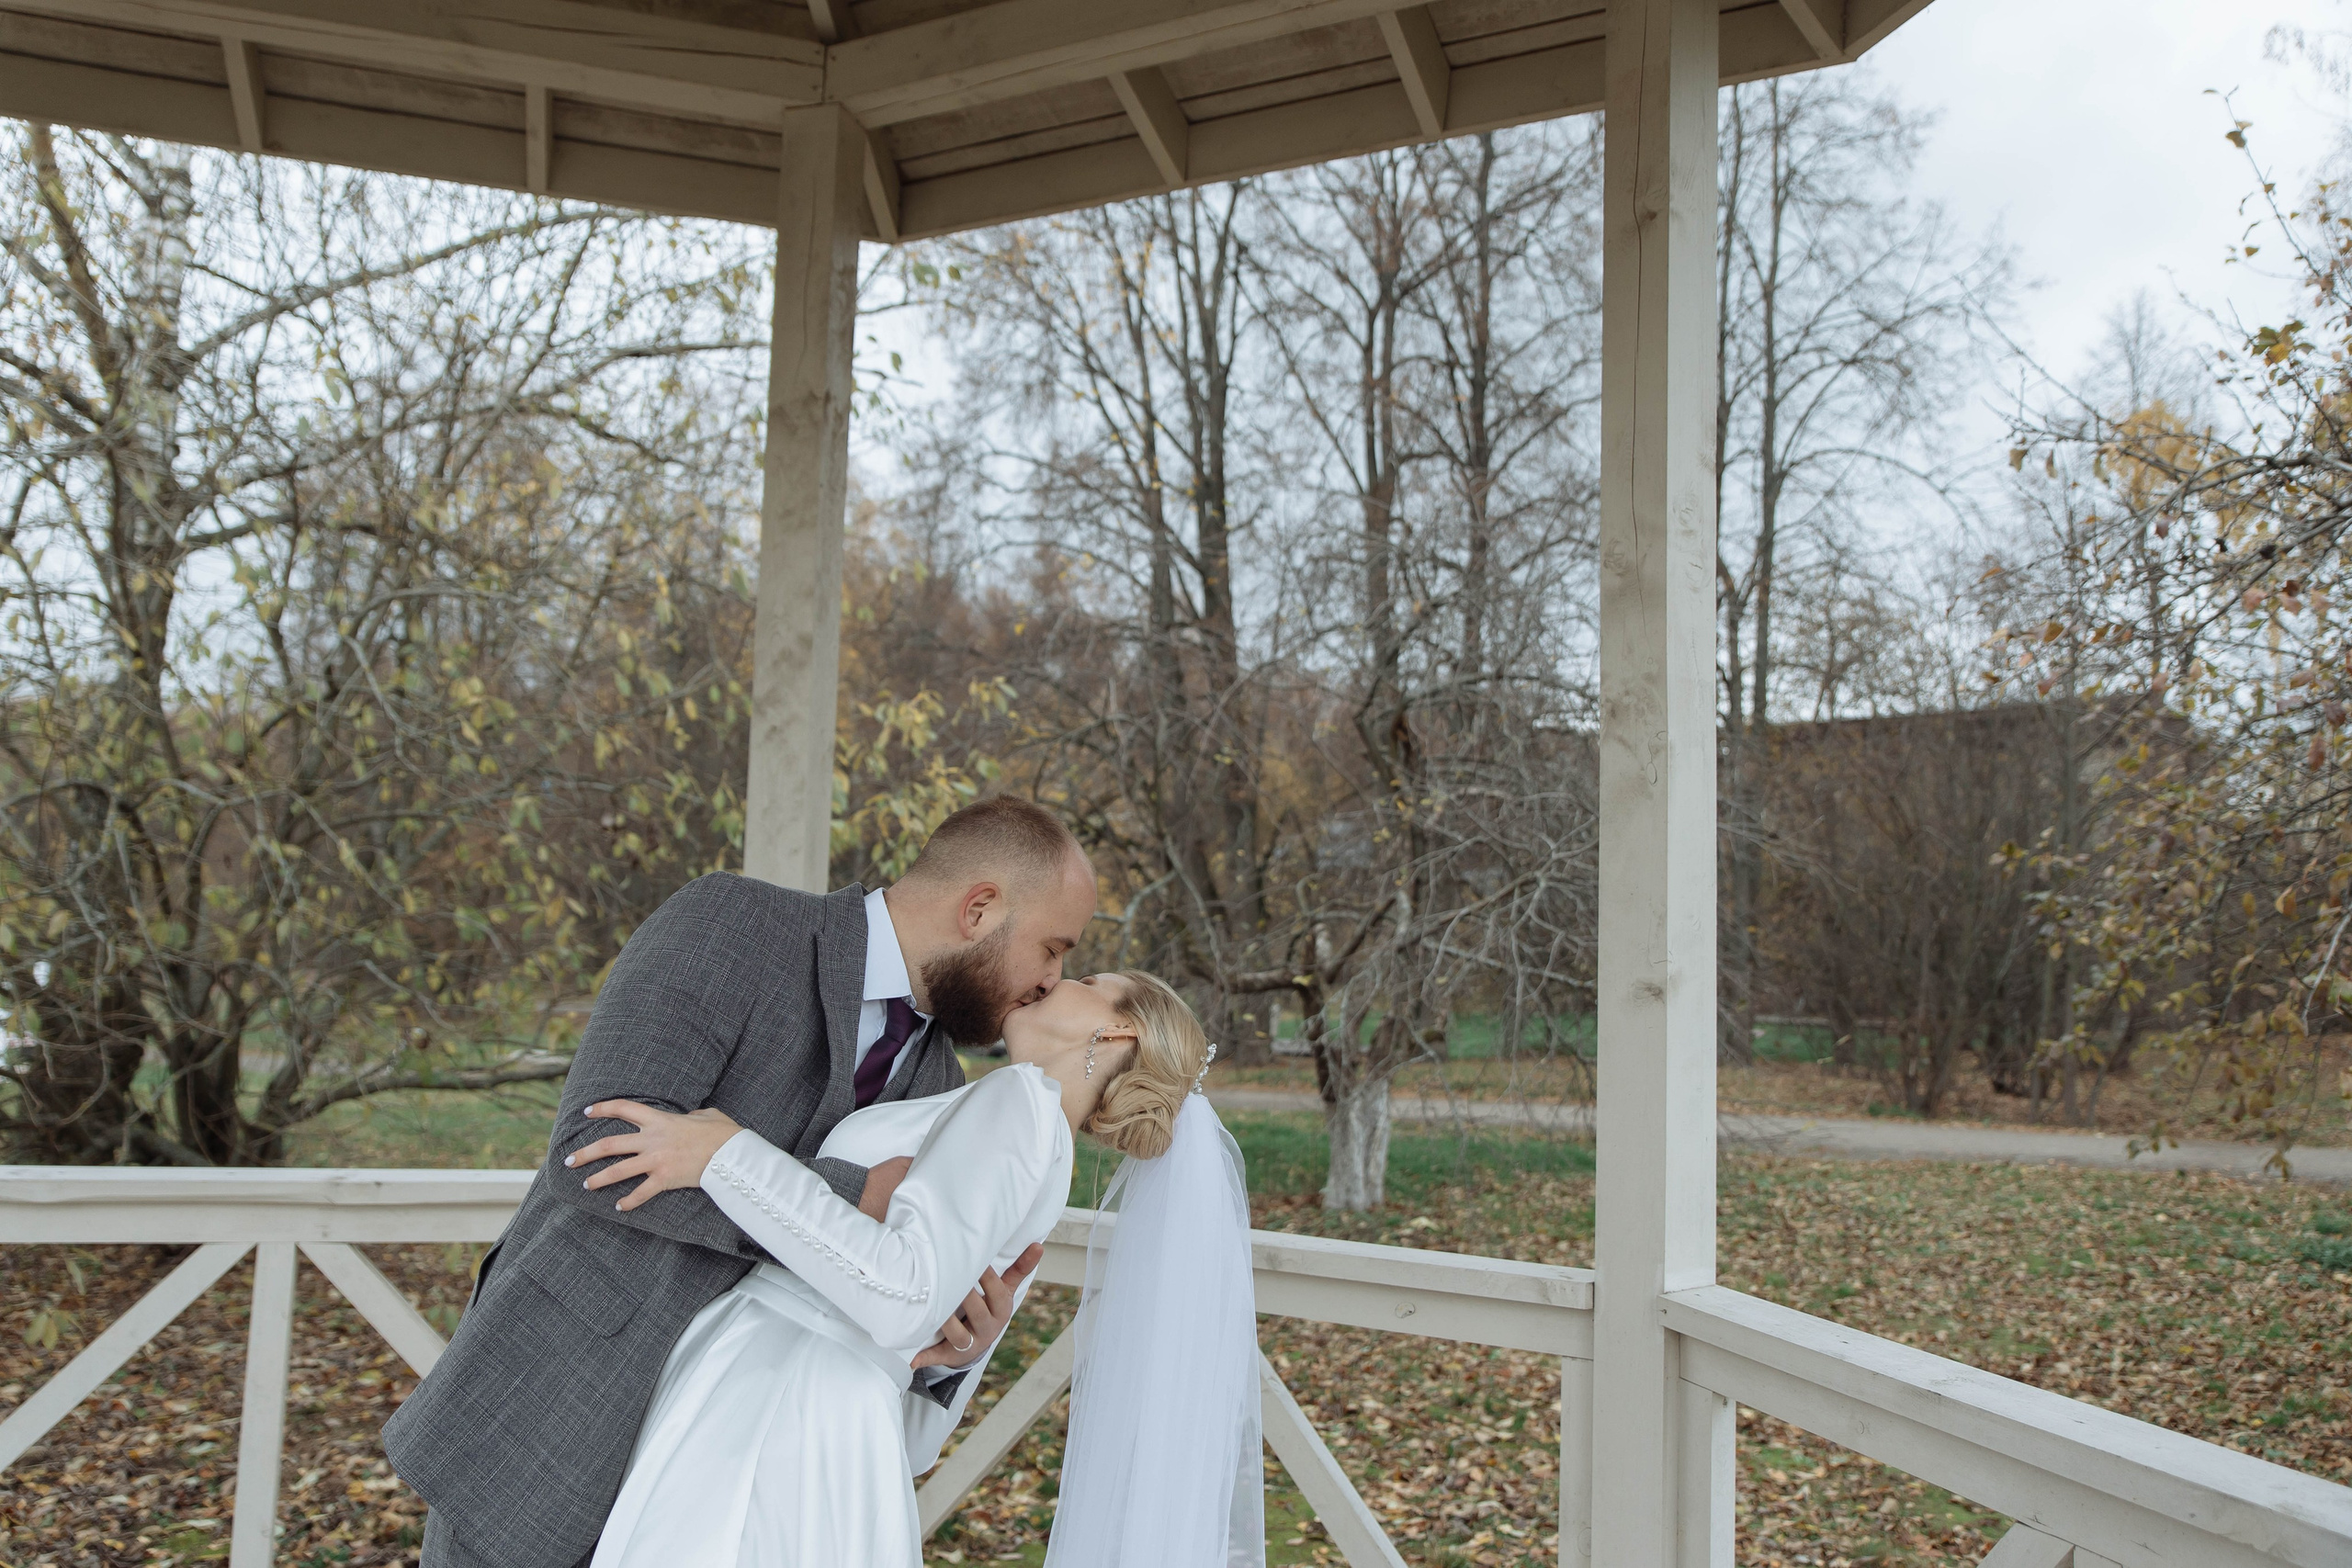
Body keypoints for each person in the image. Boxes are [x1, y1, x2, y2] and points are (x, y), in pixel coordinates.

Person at [384, 796, 1101, 1568]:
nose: (1051, 980)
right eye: (1052, 947)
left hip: (724, 1486)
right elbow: (597, 1148)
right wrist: (850, 1192)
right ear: (980, 908)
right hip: (561, 1416)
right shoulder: (736, 923)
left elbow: (867, 1278)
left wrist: (950, 1342)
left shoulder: (942, 1080)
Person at [578, 969, 1261, 1568]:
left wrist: (726, 1155)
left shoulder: (1023, 1101)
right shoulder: (1044, 1154)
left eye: (1087, 980)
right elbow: (917, 1434)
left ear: (1119, 1030)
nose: (1056, 977)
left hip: (784, 1392)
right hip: (842, 1418)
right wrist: (948, 1356)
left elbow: (904, 1294)